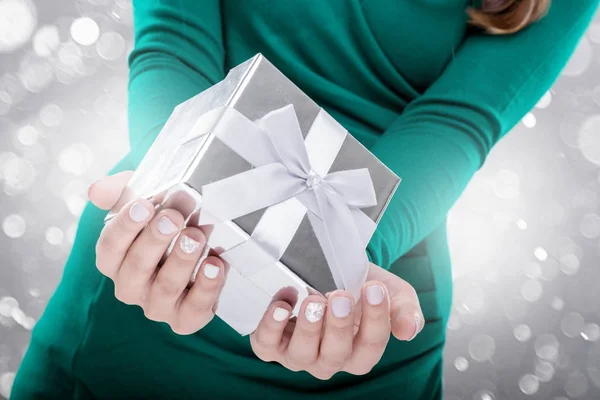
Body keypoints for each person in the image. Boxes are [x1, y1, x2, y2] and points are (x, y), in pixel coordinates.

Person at [10, 0, 600, 399]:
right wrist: (173, 188)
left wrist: (338, 262)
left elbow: (453, 125)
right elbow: (174, 38)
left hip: (355, 310)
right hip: (153, 279)